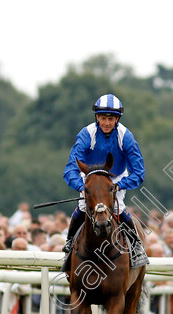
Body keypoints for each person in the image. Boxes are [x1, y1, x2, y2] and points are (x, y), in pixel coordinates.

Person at [62, 93, 146, 265]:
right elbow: (71, 168)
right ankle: (70, 244)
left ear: (117, 120)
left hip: (115, 178)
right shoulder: (87, 134)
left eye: (111, 118)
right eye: (103, 118)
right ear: (97, 117)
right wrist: (81, 187)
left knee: (118, 207)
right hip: (90, 177)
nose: (106, 123)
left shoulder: (126, 136)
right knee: (83, 205)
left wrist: (120, 185)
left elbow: (138, 171)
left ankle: (136, 247)